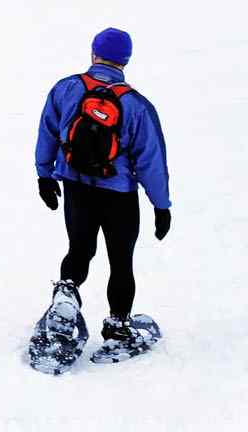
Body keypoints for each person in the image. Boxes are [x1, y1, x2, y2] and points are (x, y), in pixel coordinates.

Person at [33, 27, 171, 349]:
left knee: (79, 249)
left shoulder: (66, 89)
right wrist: (161, 206)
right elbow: (152, 160)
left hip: (76, 188)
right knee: (121, 261)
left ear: (94, 53)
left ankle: (66, 300)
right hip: (119, 195)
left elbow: (48, 132)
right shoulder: (137, 105)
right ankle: (119, 328)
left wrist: (45, 175)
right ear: (125, 60)